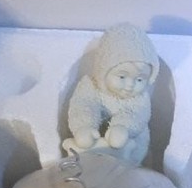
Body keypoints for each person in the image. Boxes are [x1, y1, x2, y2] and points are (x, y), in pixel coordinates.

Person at [62, 23, 158, 165]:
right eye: (122, 77)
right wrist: (84, 126)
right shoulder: (90, 86)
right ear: (104, 70)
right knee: (83, 148)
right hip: (92, 143)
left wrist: (123, 128)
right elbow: (83, 105)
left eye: (139, 79)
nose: (130, 85)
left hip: (130, 143)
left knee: (132, 157)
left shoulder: (140, 97)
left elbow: (137, 114)